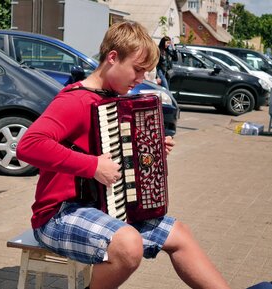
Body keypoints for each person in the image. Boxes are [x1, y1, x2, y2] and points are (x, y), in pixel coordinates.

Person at [16, 21, 230, 289]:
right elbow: (28, 145)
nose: (140, 79)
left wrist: (149, 150)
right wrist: (92, 165)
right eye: (137, 69)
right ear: (113, 58)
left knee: (180, 235)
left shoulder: (111, 99)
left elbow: (116, 156)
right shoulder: (74, 100)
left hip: (103, 208)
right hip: (57, 216)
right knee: (129, 245)